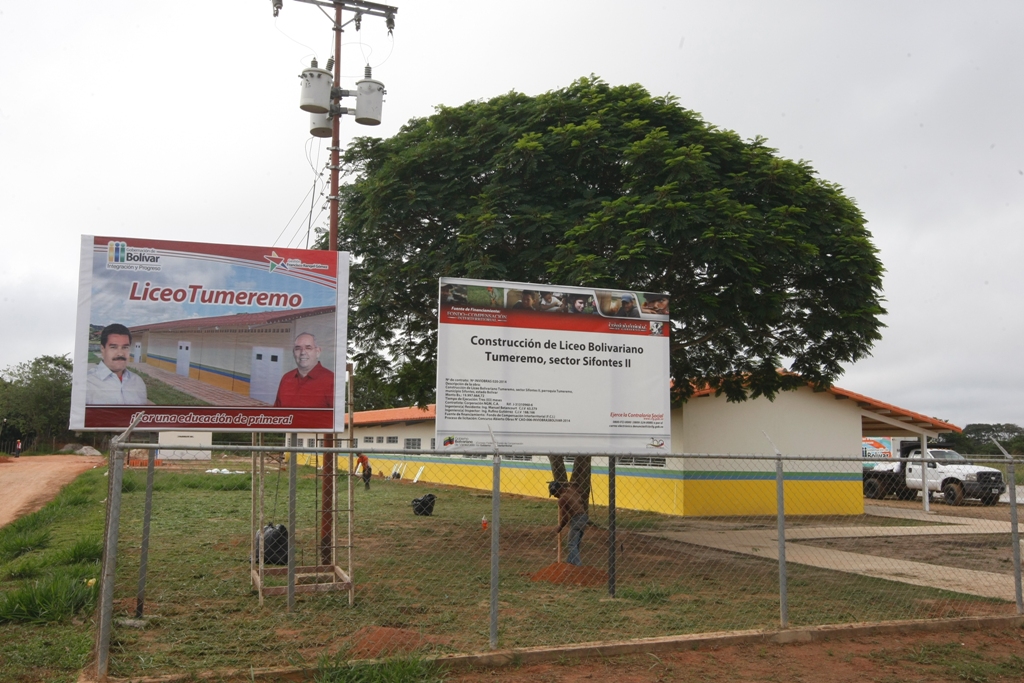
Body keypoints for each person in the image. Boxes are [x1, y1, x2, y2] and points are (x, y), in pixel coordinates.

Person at [87, 324, 149, 405]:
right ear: (103, 349)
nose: (120, 353)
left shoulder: (138, 382)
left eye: (125, 347)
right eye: (113, 347)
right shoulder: (87, 382)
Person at [273, 333, 335, 408]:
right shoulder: (286, 378)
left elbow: (337, 414)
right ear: (293, 353)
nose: (302, 352)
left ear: (318, 352)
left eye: (308, 348)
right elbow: (276, 412)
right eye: (298, 348)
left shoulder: (331, 380)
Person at [551, 480, 588, 566]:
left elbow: (565, 518)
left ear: (558, 489)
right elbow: (579, 488)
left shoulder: (562, 499)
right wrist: (570, 484)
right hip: (584, 517)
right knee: (575, 543)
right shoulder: (571, 490)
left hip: (576, 518)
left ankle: (578, 566)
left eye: (554, 493)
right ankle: (570, 564)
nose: (555, 496)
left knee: (571, 544)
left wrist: (560, 527)